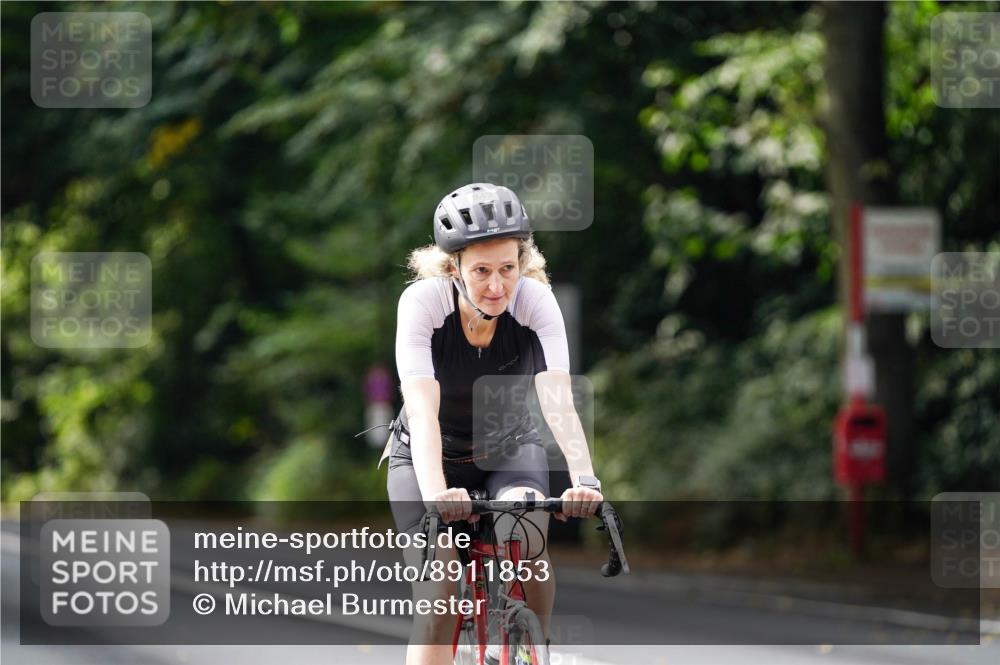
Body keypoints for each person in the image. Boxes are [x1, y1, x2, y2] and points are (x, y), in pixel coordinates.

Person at [381, 183, 603, 665]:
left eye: (508, 268)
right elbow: (421, 409)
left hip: (508, 447)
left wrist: (585, 479)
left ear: (523, 263)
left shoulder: (535, 303)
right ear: (453, 267)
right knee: (439, 598)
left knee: (526, 539)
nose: (497, 286)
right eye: (481, 271)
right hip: (429, 454)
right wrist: (438, 491)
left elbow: (557, 397)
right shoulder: (423, 305)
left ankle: (532, 647)